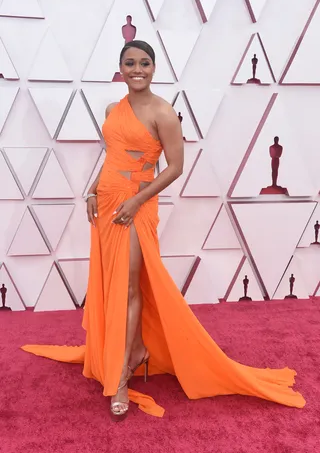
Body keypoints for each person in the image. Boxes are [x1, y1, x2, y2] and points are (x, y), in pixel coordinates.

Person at [22, 40, 305, 422]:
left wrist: (138, 201)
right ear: (120, 68)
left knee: (129, 286)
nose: (136, 69)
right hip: (107, 203)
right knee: (112, 284)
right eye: (129, 63)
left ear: (154, 68)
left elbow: (174, 167)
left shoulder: (164, 112)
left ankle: (122, 373)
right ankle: (136, 349)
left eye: (144, 63)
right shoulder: (112, 109)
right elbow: (112, 157)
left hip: (137, 206)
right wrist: (91, 190)